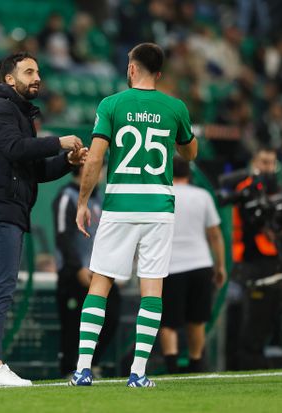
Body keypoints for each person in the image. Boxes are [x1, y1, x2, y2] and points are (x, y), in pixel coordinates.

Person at [71, 42, 198, 387]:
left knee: (100, 283)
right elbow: (190, 152)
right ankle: (138, 373)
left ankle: (83, 369)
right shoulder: (175, 107)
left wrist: (83, 203)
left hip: (119, 206)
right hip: (158, 209)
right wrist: (178, 134)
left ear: (131, 69)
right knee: (152, 288)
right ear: (159, 73)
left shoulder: (111, 104)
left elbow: (95, 158)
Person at [0, 51, 87, 387]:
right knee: (0, 288)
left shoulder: (18, 111)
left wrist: (67, 161)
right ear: (9, 79)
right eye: (29, 72)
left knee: (2, 287)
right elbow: (15, 149)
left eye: (38, 71)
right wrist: (57, 142)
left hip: (10, 209)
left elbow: (35, 170)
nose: (37, 77)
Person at [159, 156, 226, 374]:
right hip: (200, 263)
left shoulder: (162, 194)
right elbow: (215, 234)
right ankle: (196, 364)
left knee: (168, 322)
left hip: (169, 266)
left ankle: (171, 366)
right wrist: (220, 266)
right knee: (197, 320)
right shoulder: (202, 196)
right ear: (189, 173)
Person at [53, 165, 121, 378]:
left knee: (112, 315)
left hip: (99, 271)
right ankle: (69, 368)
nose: (101, 173)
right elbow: (62, 236)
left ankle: (93, 363)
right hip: (74, 274)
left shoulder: (100, 198)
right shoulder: (67, 196)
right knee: (73, 323)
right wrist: (77, 268)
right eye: (97, 168)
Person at [232, 147, 282, 370]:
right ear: (254, 162)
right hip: (251, 260)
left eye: (271, 163)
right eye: (264, 162)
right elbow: (254, 220)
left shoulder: (278, 189)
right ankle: (248, 362)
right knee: (253, 317)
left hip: (274, 261)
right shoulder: (246, 189)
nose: (268, 167)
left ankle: (263, 359)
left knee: (271, 317)